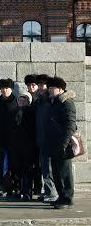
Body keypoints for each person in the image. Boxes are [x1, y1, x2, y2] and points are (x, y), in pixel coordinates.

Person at [44, 76, 76, 209]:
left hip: (63, 144)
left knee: (65, 173)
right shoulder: (53, 102)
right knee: (56, 173)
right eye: (49, 88)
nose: (50, 90)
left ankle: (67, 200)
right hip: (53, 143)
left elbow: (70, 125)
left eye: (52, 88)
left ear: (61, 89)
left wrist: (64, 144)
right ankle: (61, 197)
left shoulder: (66, 102)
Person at [0, 78, 18, 197]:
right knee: (4, 165)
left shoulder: (17, 102)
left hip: (14, 139)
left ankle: (16, 187)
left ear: (11, 89)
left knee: (15, 164)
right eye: (2, 88)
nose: (4, 90)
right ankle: (6, 187)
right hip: (1, 140)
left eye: (7, 88)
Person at [8, 92, 36, 201]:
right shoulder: (14, 112)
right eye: (20, 100)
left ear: (28, 101)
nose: (21, 101)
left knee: (27, 171)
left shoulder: (31, 112)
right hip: (16, 146)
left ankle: (27, 192)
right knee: (17, 170)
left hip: (28, 146)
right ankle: (19, 190)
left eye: (24, 100)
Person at [34, 74, 58, 202]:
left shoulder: (51, 100)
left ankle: (53, 194)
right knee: (44, 168)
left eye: (43, 84)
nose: (41, 87)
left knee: (49, 168)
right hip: (41, 139)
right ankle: (49, 191)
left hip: (50, 140)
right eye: (39, 85)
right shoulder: (39, 100)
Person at [24, 74, 42, 196]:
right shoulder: (25, 97)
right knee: (30, 165)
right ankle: (29, 188)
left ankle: (38, 187)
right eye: (29, 85)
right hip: (28, 137)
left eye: (33, 85)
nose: (31, 87)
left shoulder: (40, 98)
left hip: (39, 136)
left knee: (39, 165)